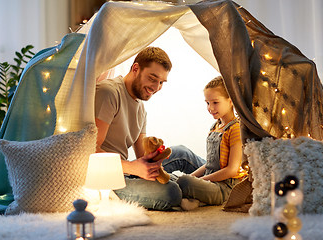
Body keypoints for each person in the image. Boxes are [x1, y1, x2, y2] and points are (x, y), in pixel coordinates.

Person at [94, 47, 204, 210]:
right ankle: (190, 186)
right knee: (171, 192)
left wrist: (154, 157)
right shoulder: (108, 92)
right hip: (107, 177)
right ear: (136, 69)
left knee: (182, 152)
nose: (157, 87)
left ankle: (225, 180)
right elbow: (91, 150)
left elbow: (142, 155)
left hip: (127, 170)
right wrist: (133, 168)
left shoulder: (140, 108)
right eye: (153, 78)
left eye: (161, 82)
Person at [172, 76, 248, 211]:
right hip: (213, 179)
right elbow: (209, 164)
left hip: (226, 187)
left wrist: (201, 180)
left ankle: (196, 198)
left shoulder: (236, 129)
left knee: (184, 182)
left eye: (215, 102)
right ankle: (198, 199)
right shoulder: (215, 126)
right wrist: (191, 177)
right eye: (207, 103)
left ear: (231, 101)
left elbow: (232, 170)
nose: (210, 108)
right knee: (178, 178)